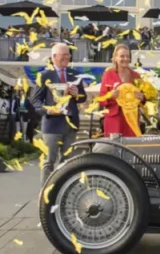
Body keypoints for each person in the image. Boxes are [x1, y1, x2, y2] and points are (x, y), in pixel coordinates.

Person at [32, 43, 87, 183]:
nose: (66, 58)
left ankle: (62, 191)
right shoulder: (44, 75)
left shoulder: (74, 74)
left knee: (68, 163)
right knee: (48, 162)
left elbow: (83, 97)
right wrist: (48, 110)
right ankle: (45, 196)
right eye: (63, 55)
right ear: (54, 57)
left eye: (68, 55)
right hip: (51, 125)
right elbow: (35, 101)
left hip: (71, 125)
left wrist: (77, 94)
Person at [99, 44, 145, 137]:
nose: (125, 59)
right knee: (112, 149)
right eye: (122, 56)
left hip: (131, 120)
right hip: (113, 119)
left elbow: (143, 100)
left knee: (130, 148)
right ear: (115, 58)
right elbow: (101, 100)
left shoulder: (136, 76)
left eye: (128, 56)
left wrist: (142, 98)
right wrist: (110, 95)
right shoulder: (108, 74)